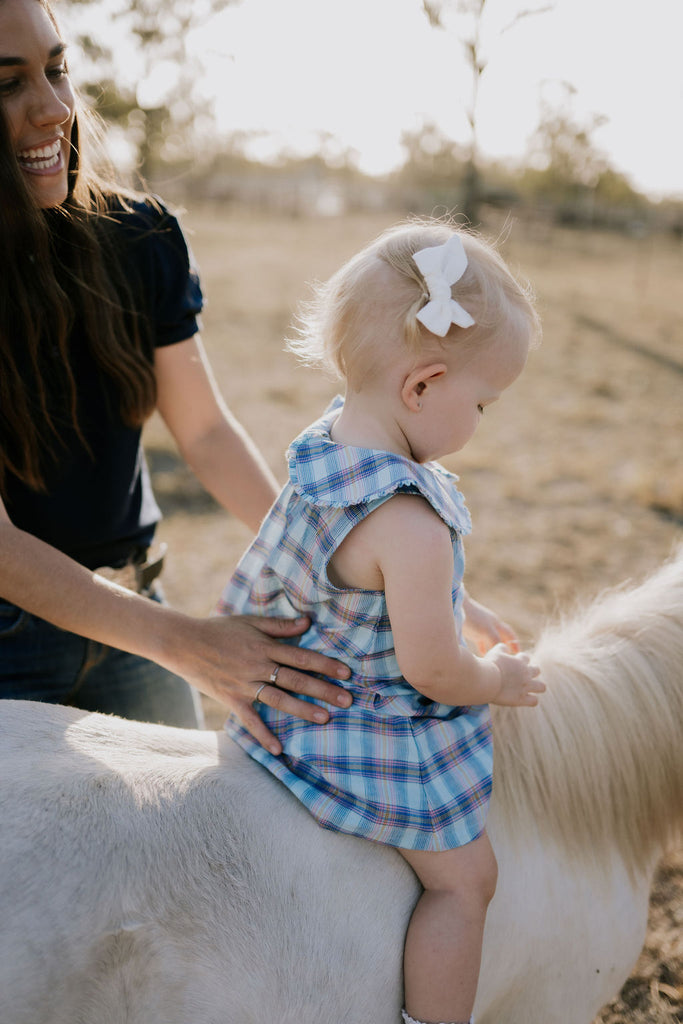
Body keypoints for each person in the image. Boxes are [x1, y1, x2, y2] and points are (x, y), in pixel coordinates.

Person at [218, 220, 546, 1024]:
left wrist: (455, 603)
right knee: (466, 882)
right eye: (482, 402)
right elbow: (434, 671)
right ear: (422, 385)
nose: (480, 420)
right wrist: (496, 680)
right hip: (355, 725)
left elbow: (351, 575)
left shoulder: (325, 444)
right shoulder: (410, 522)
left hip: (283, 696)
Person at [0, 0, 352, 735]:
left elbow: (207, 433)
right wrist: (191, 646)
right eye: (8, 85)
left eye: (57, 71)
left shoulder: (142, 238)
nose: (54, 109)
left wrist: (342, 566)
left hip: (133, 622)